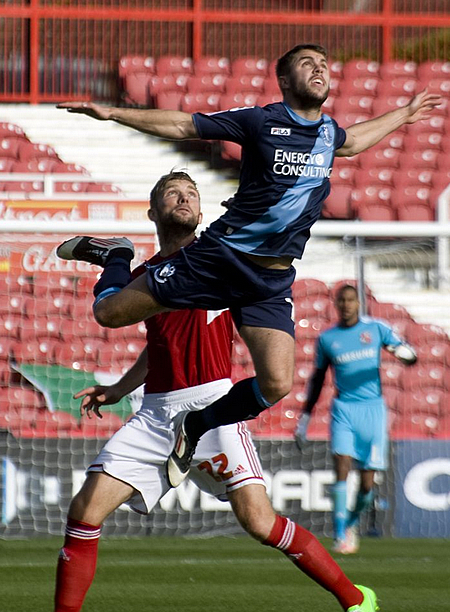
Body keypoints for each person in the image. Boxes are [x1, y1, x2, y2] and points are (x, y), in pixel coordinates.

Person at [56, 43, 441, 488]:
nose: (318, 69)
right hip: (219, 260)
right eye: (306, 64)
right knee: (108, 314)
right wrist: (112, 113)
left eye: (323, 64)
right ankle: (118, 255)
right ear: (284, 80)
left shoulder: (329, 133)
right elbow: (185, 123)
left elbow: (353, 142)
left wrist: (405, 113)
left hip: (270, 279)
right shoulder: (262, 120)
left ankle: (196, 426)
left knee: (276, 384)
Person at [55, 172, 379, 612]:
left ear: (203, 213)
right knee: (85, 509)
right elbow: (158, 345)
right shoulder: (148, 279)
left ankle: (355, 599)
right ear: (153, 212)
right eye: (173, 194)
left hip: (213, 405)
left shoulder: (219, 258)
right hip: (156, 413)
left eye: (191, 194)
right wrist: (118, 388)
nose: (184, 199)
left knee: (259, 522)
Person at [295, 284, 417, 554]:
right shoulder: (328, 339)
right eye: (342, 301)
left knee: (366, 484)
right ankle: (340, 533)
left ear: (358, 304)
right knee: (340, 467)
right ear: (336, 305)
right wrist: (305, 418)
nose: (347, 305)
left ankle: (350, 522)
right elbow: (317, 379)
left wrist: (405, 354)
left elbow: (408, 354)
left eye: (351, 300)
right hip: (344, 410)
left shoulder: (376, 329)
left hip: (373, 411)